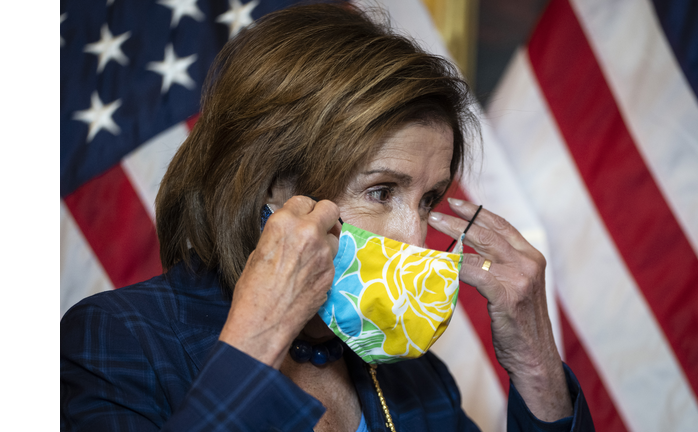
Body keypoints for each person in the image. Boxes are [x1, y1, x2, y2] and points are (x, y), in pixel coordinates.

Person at [60, 4, 594, 431]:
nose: (415, 238)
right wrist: (260, 333)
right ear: (271, 185)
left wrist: (536, 365)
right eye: (382, 191)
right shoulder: (118, 339)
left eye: (428, 200)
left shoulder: (414, 377)